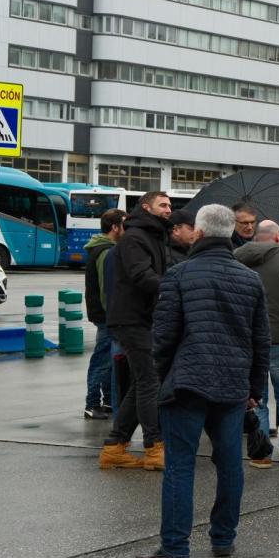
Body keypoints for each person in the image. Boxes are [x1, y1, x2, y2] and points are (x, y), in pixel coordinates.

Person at [134, 204, 269, 558]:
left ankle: (175, 547)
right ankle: (223, 538)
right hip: (232, 384)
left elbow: (162, 337)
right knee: (229, 464)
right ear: (231, 233)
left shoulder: (179, 276)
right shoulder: (249, 279)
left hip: (188, 383)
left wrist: (163, 375)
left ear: (198, 233)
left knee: (180, 466)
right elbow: (260, 340)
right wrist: (254, 388)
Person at [99, 191, 174, 471]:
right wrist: (172, 287)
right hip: (132, 319)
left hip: (141, 317)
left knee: (141, 382)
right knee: (149, 381)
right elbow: (141, 275)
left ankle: (115, 447)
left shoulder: (152, 235)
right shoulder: (135, 237)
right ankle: (154, 448)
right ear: (146, 207)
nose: (168, 209)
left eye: (169, 205)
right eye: (163, 205)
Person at [233, 220, 279, 467]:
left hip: (248, 339)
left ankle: (261, 454)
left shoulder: (236, 260)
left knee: (256, 397)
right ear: (277, 238)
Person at [83, 208, 125, 420]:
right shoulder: (106, 251)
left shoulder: (101, 248)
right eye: (124, 224)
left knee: (109, 359)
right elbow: (105, 288)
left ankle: (107, 400)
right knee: (102, 360)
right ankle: (92, 403)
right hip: (107, 316)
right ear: (115, 227)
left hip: (104, 315)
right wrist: (113, 315)